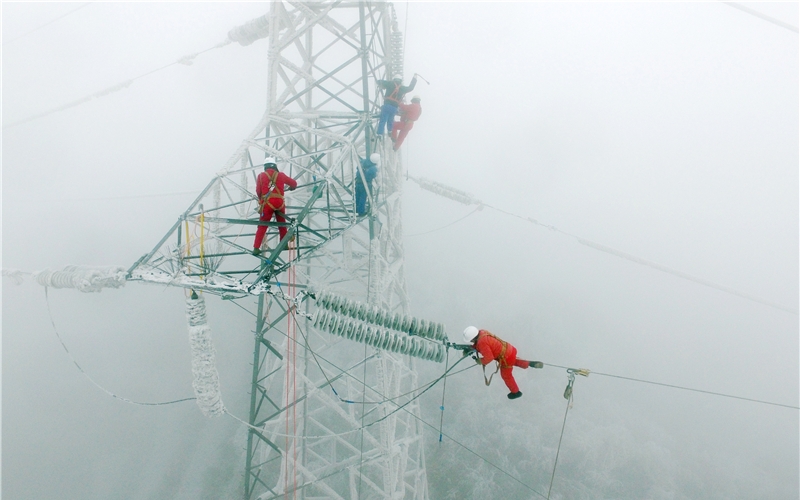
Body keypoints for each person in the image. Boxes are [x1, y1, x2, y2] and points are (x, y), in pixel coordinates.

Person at [462, 326, 543, 400]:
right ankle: (530, 363)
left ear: (473, 338)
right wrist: (470, 349)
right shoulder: (482, 332)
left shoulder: (481, 342)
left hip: (505, 357)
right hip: (509, 350)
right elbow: (482, 345)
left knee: (506, 375)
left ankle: (516, 392)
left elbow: (489, 357)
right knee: (512, 361)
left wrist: (480, 361)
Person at [253, 157, 297, 256]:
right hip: (279, 203)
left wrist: (261, 200)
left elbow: (258, 191)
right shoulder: (280, 175)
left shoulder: (261, 176)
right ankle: (284, 244)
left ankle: (256, 248)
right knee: (282, 223)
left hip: (267, 203)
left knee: (262, 225)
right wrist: (292, 187)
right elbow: (294, 183)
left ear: (265, 167)